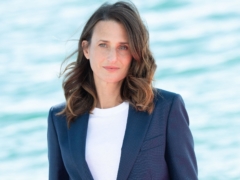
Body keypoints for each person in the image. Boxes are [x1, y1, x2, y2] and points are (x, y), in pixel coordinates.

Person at [47, 1, 198, 180]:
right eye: (103, 45)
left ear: (135, 53)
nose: (113, 57)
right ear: (86, 49)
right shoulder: (61, 120)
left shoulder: (166, 109)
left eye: (123, 47)